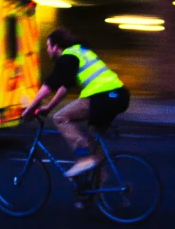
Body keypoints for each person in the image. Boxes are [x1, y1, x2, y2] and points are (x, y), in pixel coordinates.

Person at [21, 27, 130, 178]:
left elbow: (49, 85)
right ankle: (96, 192)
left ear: (56, 46)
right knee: (93, 145)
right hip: (118, 96)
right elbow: (64, 87)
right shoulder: (80, 51)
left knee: (60, 117)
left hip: (102, 97)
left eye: (48, 46)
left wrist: (30, 109)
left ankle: (83, 158)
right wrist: (48, 107)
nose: (47, 50)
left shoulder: (68, 56)